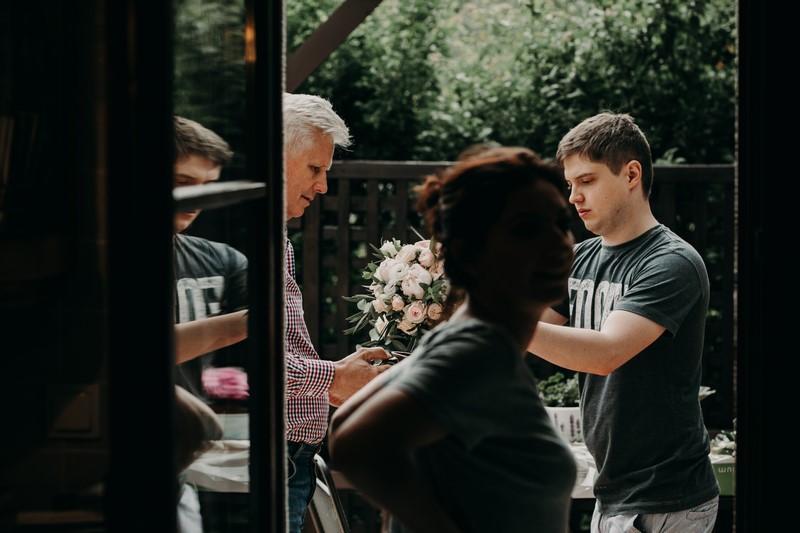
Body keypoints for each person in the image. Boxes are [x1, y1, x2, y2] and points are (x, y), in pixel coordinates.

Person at [328, 147, 579, 533]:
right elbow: (353, 445)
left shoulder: (462, 336)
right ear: (472, 252)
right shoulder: (479, 353)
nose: (558, 243)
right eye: (526, 229)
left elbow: (345, 419)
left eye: (561, 223)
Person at [527, 112, 720, 532]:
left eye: (588, 180)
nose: (574, 197)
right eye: (570, 185)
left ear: (631, 174)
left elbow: (604, 354)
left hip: (669, 499)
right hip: (613, 491)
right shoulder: (581, 258)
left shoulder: (671, 262)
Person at [282, 93, 392, 533]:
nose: (324, 185)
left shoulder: (276, 241)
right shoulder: (244, 245)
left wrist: (337, 381)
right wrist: (333, 378)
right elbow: (244, 362)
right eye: (315, 168)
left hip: (294, 458)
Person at [171, 115, 248, 533]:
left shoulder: (223, 260)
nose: (198, 198)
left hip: (183, 460)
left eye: (208, 185)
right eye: (184, 181)